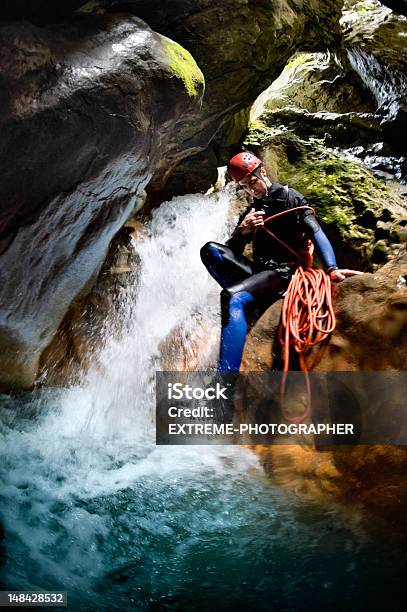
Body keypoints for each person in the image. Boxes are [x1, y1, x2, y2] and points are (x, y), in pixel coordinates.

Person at [201, 151, 359, 373]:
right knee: (210, 250)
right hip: (262, 272)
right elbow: (232, 251)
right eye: (245, 186)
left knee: (230, 297)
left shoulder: (289, 197)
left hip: (285, 272)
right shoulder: (252, 210)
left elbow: (316, 232)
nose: (250, 189)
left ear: (263, 171)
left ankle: (225, 381)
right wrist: (242, 231)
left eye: (252, 181)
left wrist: (331, 268)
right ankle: (252, 303)